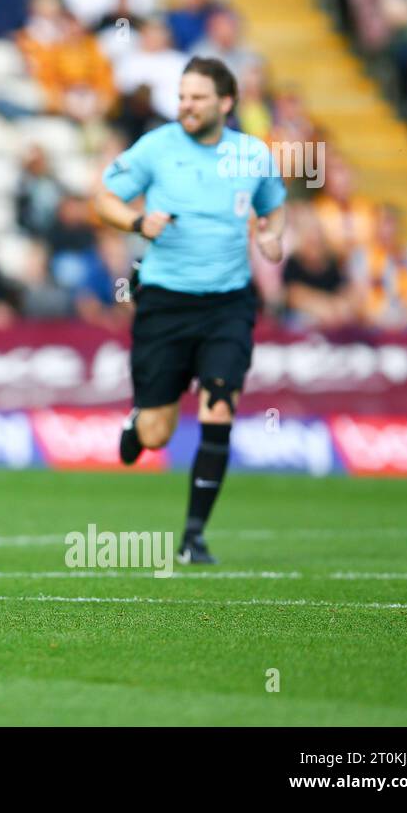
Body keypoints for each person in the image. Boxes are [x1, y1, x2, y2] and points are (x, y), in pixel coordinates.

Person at [93, 57, 286, 564]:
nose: (186, 106)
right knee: (158, 434)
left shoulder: (252, 155)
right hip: (165, 303)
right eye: (181, 96)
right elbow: (104, 198)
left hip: (229, 303)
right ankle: (139, 422)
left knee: (220, 404)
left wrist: (271, 233)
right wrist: (137, 223)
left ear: (226, 103)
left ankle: (193, 536)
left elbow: (274, 205)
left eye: (197, 97)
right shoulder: (157, 146)